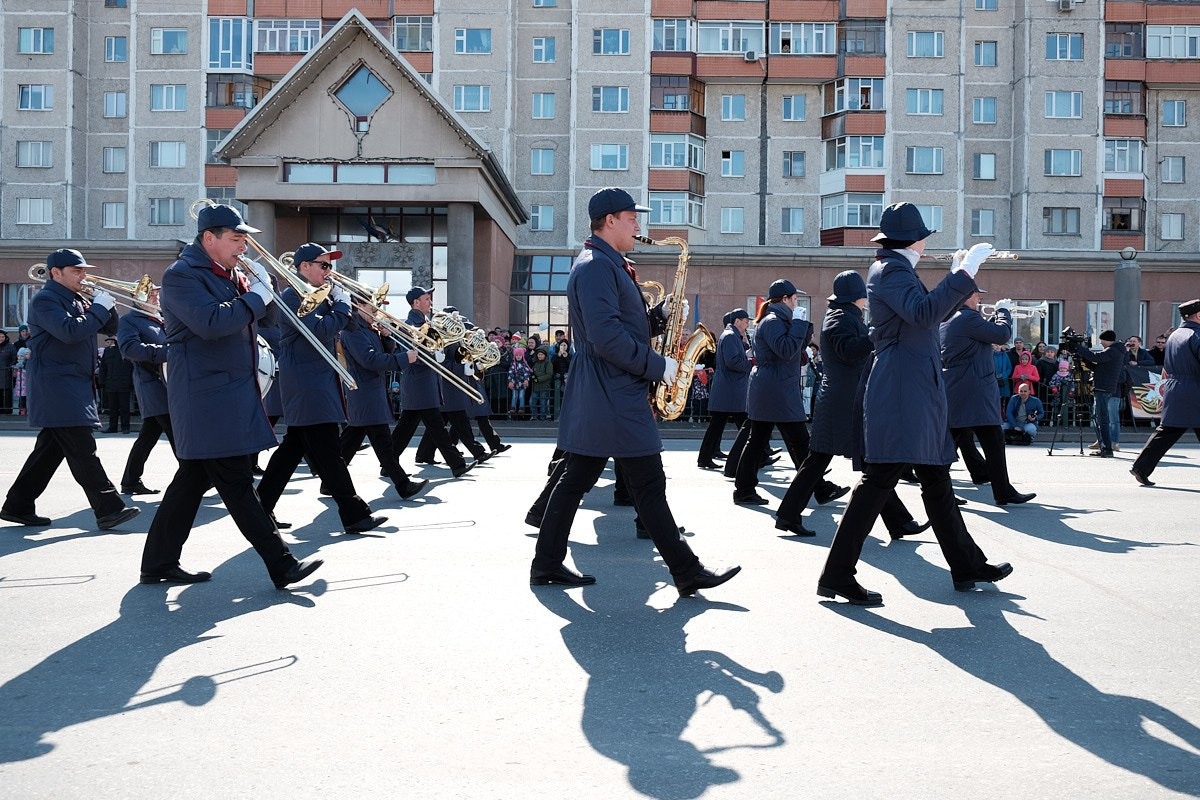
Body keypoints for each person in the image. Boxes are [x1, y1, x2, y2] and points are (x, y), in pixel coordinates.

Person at [531, 187, 739, 595]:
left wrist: (656, 318)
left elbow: (619, 326)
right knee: (645, 482)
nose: (639, 226)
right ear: (610, 221)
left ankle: (547, 563)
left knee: (579, 478)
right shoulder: (595, 267)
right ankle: (685, 569)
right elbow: (607, 338)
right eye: (632, 218)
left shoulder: (606, 263)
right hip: (613, 392)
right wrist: (660, 366)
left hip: (608, 391)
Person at [816, 203, 1012, 605]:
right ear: (914, 239)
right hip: (904, 390)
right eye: (924, 235)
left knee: (936, 479)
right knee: (879, 481)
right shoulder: (891, 270)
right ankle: (836, 574)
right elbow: (923, 314)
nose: (926, 241)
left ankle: (967, 564)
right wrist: (962, 275)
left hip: (912, 387)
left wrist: (955, 279)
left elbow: (927, 315)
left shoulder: (894, 268)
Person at [139, 204, 321, 588]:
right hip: (206, 394)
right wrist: (255, 296)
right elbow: (212, 323)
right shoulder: (182, 275)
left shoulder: (228, 274)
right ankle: (281, 563)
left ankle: (157, 562)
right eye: (236, 239)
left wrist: (263, 289)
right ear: (209, 238)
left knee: (191, 480)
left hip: (228, 391)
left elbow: (264, 322)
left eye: (244, 239)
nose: (244, 247)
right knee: (236, 481)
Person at [780, 270, 928, 539]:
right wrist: (875, 333)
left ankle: (899, 522)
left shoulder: (843, 315)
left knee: (863, 463)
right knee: (863, 463)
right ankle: (899, 522)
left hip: (843, 398)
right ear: (857, 297)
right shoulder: (840, 318)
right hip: (844, 401)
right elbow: (849, 351)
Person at [1, 249, 140, 531]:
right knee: (82, 448)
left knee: (49, 452)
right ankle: (109, 508)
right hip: (57, 385)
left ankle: (18, 505)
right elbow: (69, 332)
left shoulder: (77, 298)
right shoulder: (45, 300)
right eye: (76, 271)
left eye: (83, 270)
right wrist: (97, 308)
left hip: (72, 382)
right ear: (56, 273)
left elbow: (109, 327)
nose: (83, 275)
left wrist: (106, 305)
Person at [255, 242, 386, 534]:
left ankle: (260, 507)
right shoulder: (292, 296)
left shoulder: (321, 296)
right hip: (306, 383)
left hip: (317, 382)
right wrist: (339, 305)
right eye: (324, 265)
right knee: (330, 452)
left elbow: (347, 326)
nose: (330, 271)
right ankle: (354, 514)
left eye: (330, 266)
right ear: (304, 267)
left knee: (292, 450)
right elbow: (322, 330)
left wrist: (356, 309)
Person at [732, 279, 826, 506]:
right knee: (799, 441)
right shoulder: (773, 321)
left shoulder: (776, 320)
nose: (796, 303)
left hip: (774, 388)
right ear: (784, 299)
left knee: (760, 442)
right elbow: (785, 350)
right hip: (776, 389)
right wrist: (800, 324)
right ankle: (819, 487)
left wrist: (802, 326)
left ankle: (744, 490)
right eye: (794, 299)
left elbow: (794, 350)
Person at [941, 291, 1036, 506]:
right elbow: (1001, 335)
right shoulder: (967, 318)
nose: (979, 300)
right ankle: (1000, 491)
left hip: (961, 389)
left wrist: (994, 318)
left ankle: (999, 489)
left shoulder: (951, 318)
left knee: (955, 443)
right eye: (975, 296)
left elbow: (984, 332)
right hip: (975, 390)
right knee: (991, 440)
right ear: (965, 297)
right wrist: (1003, 311)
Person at [337, 295, 430, 501]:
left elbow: (381, 352)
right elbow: (369, 360)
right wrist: (404, 358)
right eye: (373, 306)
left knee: (351, 440)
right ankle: (403, 485)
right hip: (364, 392)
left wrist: (386, 337)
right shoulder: (353, 330)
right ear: (359, 306)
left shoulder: (367, 328)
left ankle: (329, 482)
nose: (377, 311)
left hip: (371, 391)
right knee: (383, 442)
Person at [390, 287, 473, 476]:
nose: (430, 302)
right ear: (415, 302)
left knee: (405, 429)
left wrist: (463, 354)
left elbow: (444, 349)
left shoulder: (429, 323)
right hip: (419, 383)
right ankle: (457, 465)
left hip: (426, 384)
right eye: (426, 299)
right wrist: (433, 354)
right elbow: (408, 356)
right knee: (437, 428)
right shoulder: (409, 325)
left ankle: (388, 462)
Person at [1130, 299, 1200, 486]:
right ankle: (1141, 468)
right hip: (1195, 389)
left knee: (1167, 431)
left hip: (1175, 387)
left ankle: (1141, 467)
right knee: (1168, 431)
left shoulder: (1176, 335)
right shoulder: (1196, 335)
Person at [116, 285, 172, 495]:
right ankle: (198, 476)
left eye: (157, 293)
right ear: (136, 298)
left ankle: (130, 480)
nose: (156, 296)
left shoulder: (160, 318)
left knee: (148, 436)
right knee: (177, 434)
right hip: (152, 385)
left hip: (168, 383)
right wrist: (166, 352)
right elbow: (130, 349)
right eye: (150, 294)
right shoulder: (130, 320)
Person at [698, 309, 751, 469]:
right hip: (730, 390)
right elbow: (732, 361)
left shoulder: (730, 335)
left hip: (728, 390)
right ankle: (758, 456)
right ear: (737, 321)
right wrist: (750, 363)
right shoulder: (730, 336)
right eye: (746, 321)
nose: (748, 324)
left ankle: (705, 458)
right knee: (744, 425)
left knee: (719, 426)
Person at [1074, 330, 1124, 458]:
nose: (1101, 343)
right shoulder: (1115, 351)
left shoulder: (1112, 351)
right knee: (1101, 418)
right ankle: (1104, 446)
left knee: (1103, 419)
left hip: (1103, 388)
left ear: (1107, 340)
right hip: (1104, 387)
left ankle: (1106, 448)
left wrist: (1078, 348)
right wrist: (1083, 357)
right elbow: (1098, 367)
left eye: (1102, 340)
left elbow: (1096, 358)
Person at [99, 335, 134, 433]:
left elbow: (131, 368)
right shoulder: (108, 351)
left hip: (123, 383)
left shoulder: (125, 351)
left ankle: (125, 427)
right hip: (112, 383)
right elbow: (103, 368)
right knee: (112, 408)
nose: (111, 343)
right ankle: (113, 427)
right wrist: (102, 382)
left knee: (124, 407)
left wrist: (131, 382)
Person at [507, 346, 531, 419]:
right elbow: (510, 373)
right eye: (516, 355)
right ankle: (513, 408)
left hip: (522, 383)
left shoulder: (524, 364)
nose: (518, 357)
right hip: (515, 383)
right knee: (514, 396)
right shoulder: (513, 364)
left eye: (519, 355)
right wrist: (510, 381)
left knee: (521, 396)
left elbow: (526, 373)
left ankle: (521, 408)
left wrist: (526, 380)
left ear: (522, 356)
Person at [530, 347, 554, 420]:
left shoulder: (548, 364)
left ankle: (542, 417)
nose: (539, 356)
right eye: (538, 354)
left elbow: (549, 375)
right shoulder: (535, 363)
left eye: (541, 354)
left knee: (543, 403)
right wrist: (535, 377)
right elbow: (533, 372)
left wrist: (538, 378)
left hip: (544, 386)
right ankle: (534, 416)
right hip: (535, 386)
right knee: (532, 402)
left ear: (545, 355)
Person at [0, 330, 15, 414]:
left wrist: (9, 367)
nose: (1, 339)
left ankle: (8, 412)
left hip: (6, 373)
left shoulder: (10, 347)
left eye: (2, 337)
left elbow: (14, 358)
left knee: (7, 393)